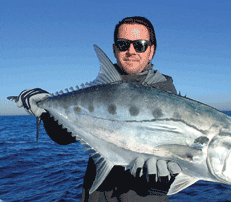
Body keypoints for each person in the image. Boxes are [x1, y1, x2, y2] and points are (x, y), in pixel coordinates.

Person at [17, 16, 181, 202]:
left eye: (140, 45)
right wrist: (46, 111)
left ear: (151, 51)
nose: (131, 51)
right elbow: (63, 137)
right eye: (123, 44)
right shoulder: (98, 92)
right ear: (114, 49)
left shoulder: (168, 96)